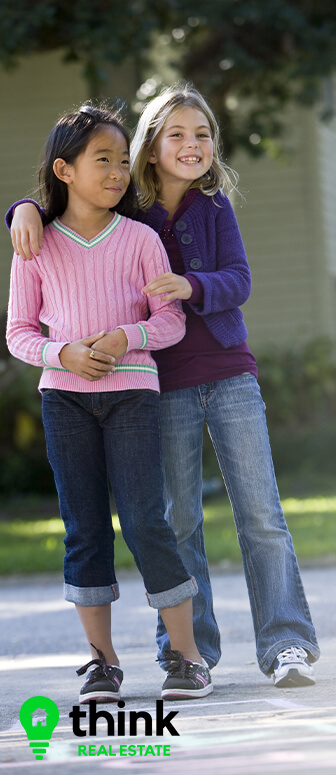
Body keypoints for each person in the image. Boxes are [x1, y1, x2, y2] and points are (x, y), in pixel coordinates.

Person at [7, 85, 320, 689]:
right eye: (175, 134)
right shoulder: (128, 212)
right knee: (176, 524)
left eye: (202, 134)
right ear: (150, 149)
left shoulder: (213, 207)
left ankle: (286, 644)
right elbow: (64, 208)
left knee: (261, 514)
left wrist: (192, 287)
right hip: (162, 385)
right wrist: (19, 206)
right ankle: (190, 653)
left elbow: (239, 280)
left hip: (228, 371)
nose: (192, 145)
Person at [6, 103, 214, 703]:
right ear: (64, 170)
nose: (119, 171)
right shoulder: (36, 243)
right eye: (104, 160)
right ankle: (102, 663)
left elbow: (170, 321)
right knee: (85, 529)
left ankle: (187, 658)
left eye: (125, 160)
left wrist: (130, 337)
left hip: (132, 398)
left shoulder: (142, 239)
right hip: (64, 402)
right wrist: (63, 354)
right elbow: (19, 332)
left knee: (148, 520)